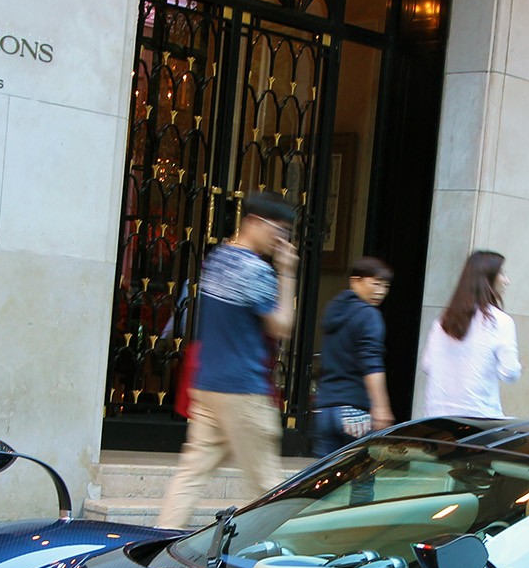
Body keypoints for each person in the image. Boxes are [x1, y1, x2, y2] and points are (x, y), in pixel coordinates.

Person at [156, 191, 300, 529]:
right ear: (253, 222)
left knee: (190, 475)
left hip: (207, 385)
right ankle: (266, 566)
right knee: (266, 486)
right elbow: (282, 324)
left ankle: (156, 541)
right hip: (243, 390)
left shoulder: (217, 258)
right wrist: (288, 273)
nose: (281, 241)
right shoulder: (255, 270)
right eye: (278, 230)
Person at [311, 255, 394, 457]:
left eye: (385, 286)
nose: (380, 292)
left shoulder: (333, 309)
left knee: (322, 481)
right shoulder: (369, 315)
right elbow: (371, 363)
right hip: (354, 411)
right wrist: (381, 406)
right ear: (355, 280)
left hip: (325, 410)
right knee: (361, 483)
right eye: (375, 284)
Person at [421, 250, 521, 416]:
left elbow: (427, 364)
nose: (507, 281)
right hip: (479, 418)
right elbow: (509, 373)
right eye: (502, 273)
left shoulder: (442, 322)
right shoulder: (500, 321)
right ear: (487, 279)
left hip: (436, 416)